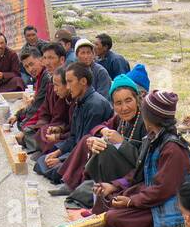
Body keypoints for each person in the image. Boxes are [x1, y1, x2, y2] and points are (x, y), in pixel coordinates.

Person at [89, 89, 190, 227]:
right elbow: (138, 172)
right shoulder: (152, 137)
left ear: (149, 117)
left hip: (172, 205)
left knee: (113, 218)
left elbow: (162, 190)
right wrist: (114, 186)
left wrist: (131, 202)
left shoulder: (173, 149)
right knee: (112, 198)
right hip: (152, 194)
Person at [48, 73, 146, 201]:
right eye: (118, 103)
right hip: (120, 166)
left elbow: (144, 163)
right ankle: (74, 183)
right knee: (88, 140)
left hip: (135, 174)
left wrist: (121, 143)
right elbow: (99, 127)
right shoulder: (120, 118)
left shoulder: (145, 122)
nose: (124, 108)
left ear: (137, 99)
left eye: (128, 101)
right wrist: (102, 132)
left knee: (105, 149)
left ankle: (92, 186)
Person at [35, 62, 111, 181]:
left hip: (90, 156)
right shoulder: (79, 102)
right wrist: (58, 153)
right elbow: (73, 137)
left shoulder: (95, 105)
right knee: (42, 161)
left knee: (55, 170)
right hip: (76, 151)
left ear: (83, 82)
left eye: (70, 82)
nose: (68, 87)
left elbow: (85, 144)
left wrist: (61, 160)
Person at [22, 50, 70, 155]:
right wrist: (41, 125)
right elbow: (44, 109)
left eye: (51, 58)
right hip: (54, 125)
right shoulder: (49, 82)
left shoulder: (69, 89)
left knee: (36, 132)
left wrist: (59, 131)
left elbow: (73, 126)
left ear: (61, 60)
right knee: (37, 130)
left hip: (65, 130)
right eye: (45, 58)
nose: (47, 63)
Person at [10, 45, 49, 139]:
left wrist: (25, 126)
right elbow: (35, 102)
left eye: (31, 64)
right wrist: (18, 114)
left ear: (41, 60)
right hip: (42, 112)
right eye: (26, 67)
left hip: (50, 118)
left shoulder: (47, 77)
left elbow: (38, 105)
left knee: (24, 127)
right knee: (20, 121)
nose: (30, 69)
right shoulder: (40, 77)